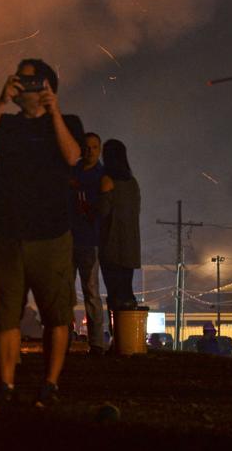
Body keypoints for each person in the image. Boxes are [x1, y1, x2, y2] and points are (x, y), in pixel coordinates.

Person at [0, 58, 83, 409]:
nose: (23, 85)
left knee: (56, 314)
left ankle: (50, 384)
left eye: (30, 81)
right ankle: (5, 385)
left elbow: (72, 156)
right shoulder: (6, 124)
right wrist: (1, 99)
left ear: (47, 87)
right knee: (6, 315)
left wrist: (55, 113)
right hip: (10, 234)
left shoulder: (67, 123)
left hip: (51, 234)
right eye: (18, 79)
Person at [98, 138, 141, 351]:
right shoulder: (133, 183)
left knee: (114, 294)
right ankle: (132, 339)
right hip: (131, 246)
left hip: (111, 245)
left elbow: (103, 212)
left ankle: (119, 341)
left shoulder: (107, 181)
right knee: (127, 290)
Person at [70, 133, 107, 355]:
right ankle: (62, 338)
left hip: (89, 240)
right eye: (87, 147)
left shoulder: (101, 176)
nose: (90, 151)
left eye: (94, 147)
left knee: (91, 291)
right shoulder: (74, 171)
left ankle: (96, 343)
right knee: (65, 291)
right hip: (70, 238)